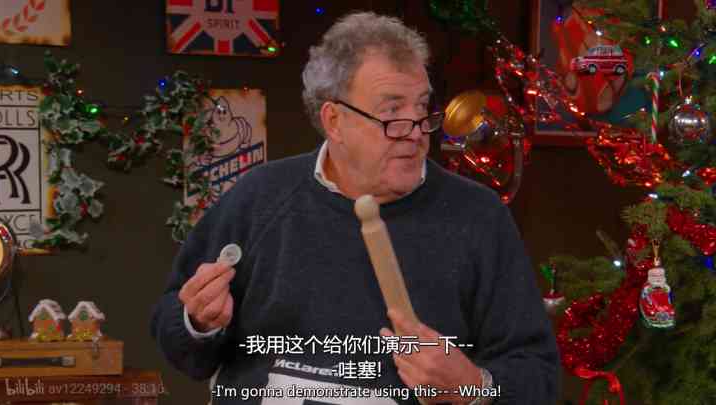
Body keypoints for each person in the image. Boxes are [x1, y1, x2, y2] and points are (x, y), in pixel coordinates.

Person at [150, 11, 560, 405]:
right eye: (392, 112)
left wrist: (474, 385)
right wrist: (198, 324)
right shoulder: (260, 198)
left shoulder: (477, 216)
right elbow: (177, 338)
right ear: (334, 121)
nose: (416, 133)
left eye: (421, 108)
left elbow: (537, 375)